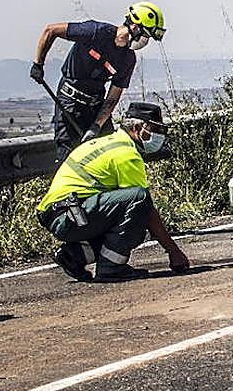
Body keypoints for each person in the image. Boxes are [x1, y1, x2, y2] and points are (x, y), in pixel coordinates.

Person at [36, 101, 190, 283]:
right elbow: (144, 207)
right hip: (69, 215)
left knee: (130, 220)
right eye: (155, 129)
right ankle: (111, 267)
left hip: (60, 214)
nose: (159, 136)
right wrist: (174, 251)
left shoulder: (105, 142)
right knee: (138, 201)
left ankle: (74, 255)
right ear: (137, 128)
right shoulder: (126, 154)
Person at [30, 2, 167, 162]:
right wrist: (38, 64)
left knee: (110, 157)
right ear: (135, 27)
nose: (145, 41)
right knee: (68, 159)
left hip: (95, 108)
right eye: (146, 36)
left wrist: (96, 126)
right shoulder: (97, 31)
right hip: (68, 104)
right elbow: (51, 30)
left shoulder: (128, 59)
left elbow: (113, 97)